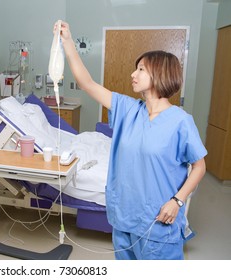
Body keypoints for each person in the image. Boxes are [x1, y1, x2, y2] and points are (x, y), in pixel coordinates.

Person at [55, 21, 207, 260]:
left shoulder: (180, 121)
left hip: (158, 223)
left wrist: (177, 201)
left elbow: (199, 166)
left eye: (141, 70)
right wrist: (67, 42)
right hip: (123, 217)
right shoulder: (127, 108)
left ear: (159, 74)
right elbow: (87, 83)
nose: (133, 74)